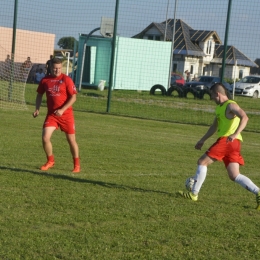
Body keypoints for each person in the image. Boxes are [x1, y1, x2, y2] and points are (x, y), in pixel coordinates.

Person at [178, 82, 260, 210]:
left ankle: (194, 194)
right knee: (234, 175)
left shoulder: (231, 105)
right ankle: (258, 192)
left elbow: (245, 117)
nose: (212, 99)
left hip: (227, 141)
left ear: (218, 94)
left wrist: (235, 133)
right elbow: (214, 127)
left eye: (212, 96)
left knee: (202, 162)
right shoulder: (219, 108)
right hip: (234, 144)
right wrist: (202, 140)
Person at [33, 57, 80, 173]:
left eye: (59, 68)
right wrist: (37, 109)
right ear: (50, 68)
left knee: (71, 141)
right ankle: (50, 161)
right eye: (55, 68)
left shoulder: (66, 80)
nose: (57, 70)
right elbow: (39, 95)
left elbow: (73, 97)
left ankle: (77, 165)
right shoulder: (45, 80)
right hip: (52, 115)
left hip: (66, 115)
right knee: (45, 137)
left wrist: (63, 109)